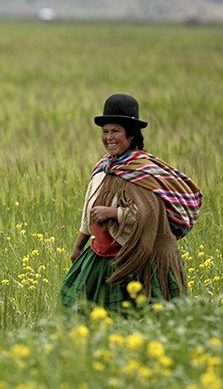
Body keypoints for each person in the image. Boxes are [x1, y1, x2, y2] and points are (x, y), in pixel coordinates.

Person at [60, 94, 202, 312]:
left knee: (141, 319)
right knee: (83, 316)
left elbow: (149, 217)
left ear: (131, 133)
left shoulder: (142, 171)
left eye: (115, 131)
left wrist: (114, 213)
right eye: (105, 131)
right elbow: (89, 210)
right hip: (100, 258)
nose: (109, 137)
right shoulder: (103, 168)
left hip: (137, 262)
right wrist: (79, 246)